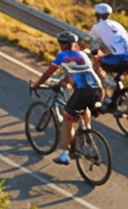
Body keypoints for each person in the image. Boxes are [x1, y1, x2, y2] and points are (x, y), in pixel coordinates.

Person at [31, 32, 106, 166]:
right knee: (84, 109)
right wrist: (63, 81)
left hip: (83, 91)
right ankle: (85, 131)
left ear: (61, 44)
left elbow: (48, 72)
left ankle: (64, 155)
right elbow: (75, 71)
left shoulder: (62, 56)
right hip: (98, 89)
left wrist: (37, 84)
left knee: (67, 118)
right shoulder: (82, 54)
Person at [88, 2, 128, 103]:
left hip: (120, 58)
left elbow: (91, 42)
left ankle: (104, 87)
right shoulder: (117, 24)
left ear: (97, 15)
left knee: (97, 60)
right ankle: (119, 92)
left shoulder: (96, 27)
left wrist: (92, 53)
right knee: (114, 67)